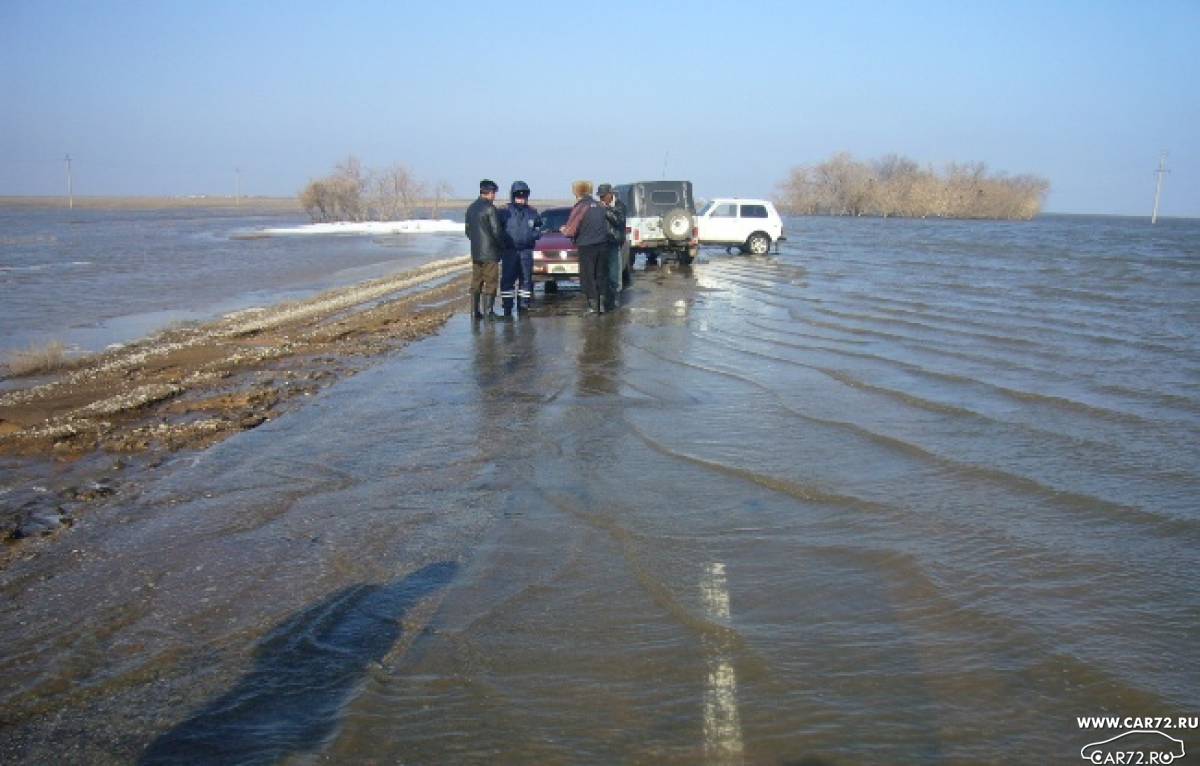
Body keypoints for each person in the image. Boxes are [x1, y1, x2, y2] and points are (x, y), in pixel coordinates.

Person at [561, 180, 610, 314]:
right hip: (603, 245)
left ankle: (593, 307)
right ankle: (602, 306)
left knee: (588, 277)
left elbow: (570, 230)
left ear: (577, 192)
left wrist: (563, 230)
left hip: (587, 246)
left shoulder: (581, 207)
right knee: (601, 275)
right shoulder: (600, 206)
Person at [499, 180, 542, 318]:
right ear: (513, 195)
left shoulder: (532, 212)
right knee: (507, 280)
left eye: (524, 196)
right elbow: (497, 230)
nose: (521, 198)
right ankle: (507, 307)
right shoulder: (504, 212)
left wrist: (533, 235)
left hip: (526, 252)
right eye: (518, 195)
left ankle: (523, 305)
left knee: (526, 280)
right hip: (509, 252)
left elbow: (538, 228)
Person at [464, 179, 504, 321]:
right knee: (491, 282)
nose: (495, 196)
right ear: (490, 193)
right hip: (490, 252)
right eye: (494, 193)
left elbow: (468, 231)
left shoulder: (471, 208)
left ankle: (475, 312)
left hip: (476, 252)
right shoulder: (490, 209)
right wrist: (501, 246)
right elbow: (496, 232)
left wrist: (477, 243)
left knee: (476, 281)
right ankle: (488, 312)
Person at [598, 183, 626, 311]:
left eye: (603, 196)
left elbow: (618, 220)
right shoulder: (600, 206)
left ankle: (615, 300)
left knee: (615, 273)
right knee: (604, 273)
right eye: (600, 196)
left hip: (614, 242)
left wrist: (605, 210)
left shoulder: (620, 206)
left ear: (611, 194)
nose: (601, 199)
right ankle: (605, 300)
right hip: (602, 243)